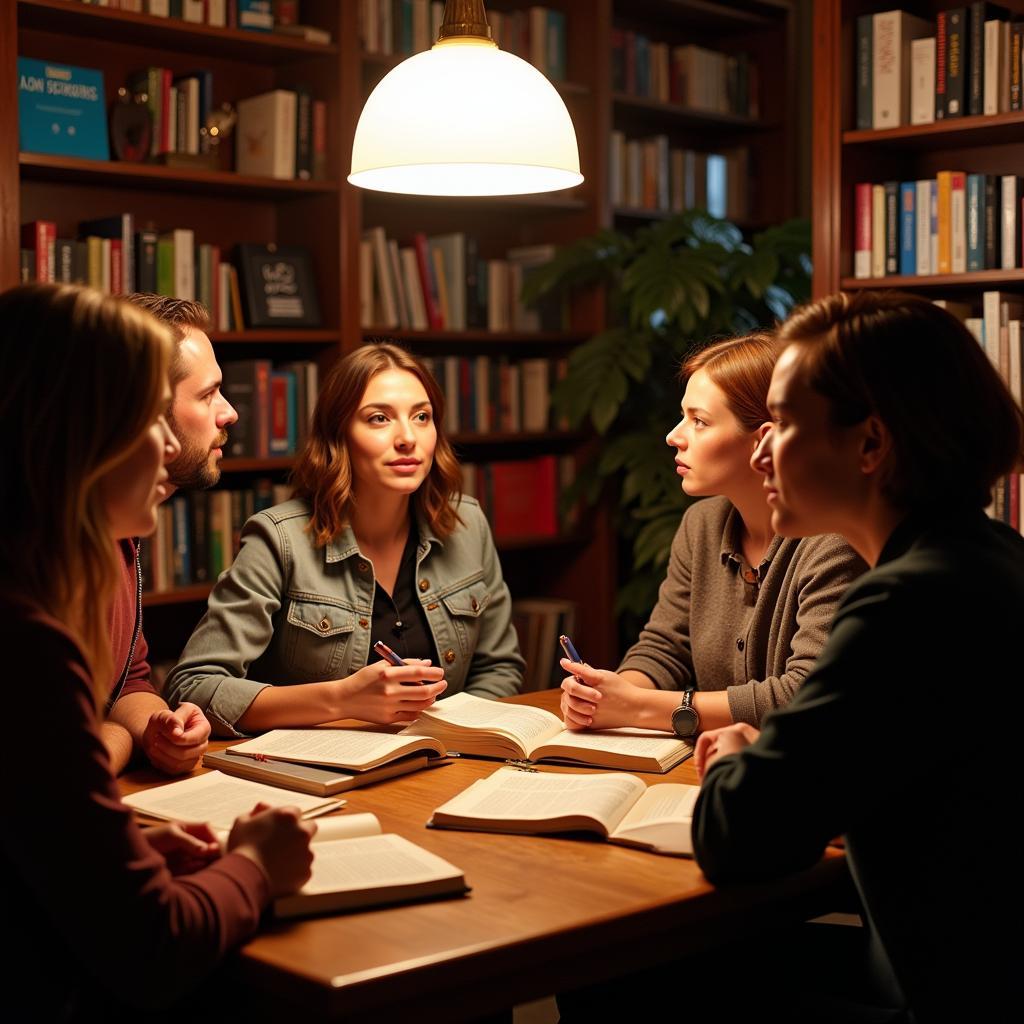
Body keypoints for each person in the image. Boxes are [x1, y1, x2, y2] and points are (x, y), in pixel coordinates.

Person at [692, 291, 1024, 1021]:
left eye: (779, 422)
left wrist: (741, 759)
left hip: (952, 998)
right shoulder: (994, 560)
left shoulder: (905, 605)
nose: (758, 451)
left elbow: (735, 835)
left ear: (871, 445)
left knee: (631, 982)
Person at [0, 283, 314, 1016]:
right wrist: (256, 866)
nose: (172, 446)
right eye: (149, 418)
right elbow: (152, 946)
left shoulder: (77, 563)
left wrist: (124, 860)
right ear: (83, 434)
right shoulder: (25, 644)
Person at [165, 341, 525, 736]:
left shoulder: (466, 523)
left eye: (422, 416)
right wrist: (341, 700)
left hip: (444, 765)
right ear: (339, 435)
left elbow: (499, 667)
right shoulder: (279, 540)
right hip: (318, 774)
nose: (408, 437)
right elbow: (193, 688)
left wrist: (459, 738)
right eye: (378, 419)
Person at [559, 332, 864, 738]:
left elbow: (808, 693)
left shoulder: (835, 539)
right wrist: (607, 695)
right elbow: (665, 648)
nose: (674, 436)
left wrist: (644, 708)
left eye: (699, 421)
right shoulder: (702, 524)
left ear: (766, 440)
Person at [101, 294, 239, 776]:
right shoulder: (40, 551)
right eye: (207, 394)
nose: (229, 414)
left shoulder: (123, 534)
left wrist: (156, 729)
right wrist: (118, 736)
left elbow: (129, 682)